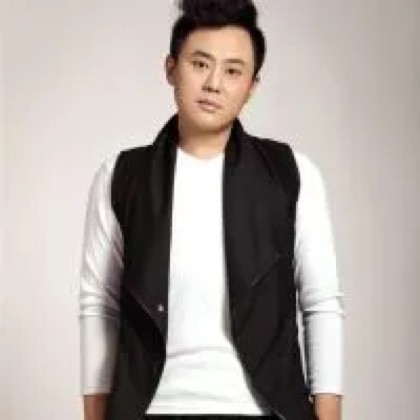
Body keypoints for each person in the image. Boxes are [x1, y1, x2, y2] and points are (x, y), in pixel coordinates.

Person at [78, 1, 345, 419]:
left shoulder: (291, 174)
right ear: (171, 68)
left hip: (264, 410)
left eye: (233, 71)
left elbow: (321, 303)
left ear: (252, 86)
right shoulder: (121, 176)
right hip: (152, 410)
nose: (214, 84)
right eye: (200, 64)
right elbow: (99, 304)